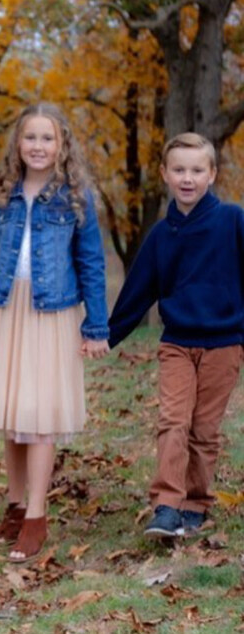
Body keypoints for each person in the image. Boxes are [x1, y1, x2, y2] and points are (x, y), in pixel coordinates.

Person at [0, 103, 109, 563]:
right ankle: (16, 501)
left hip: (52, 313)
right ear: (17, 144)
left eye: (48, 139)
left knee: (39, 417)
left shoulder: (75, 197)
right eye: (30, 138)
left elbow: (92, 263)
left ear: (62, 145)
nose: (38, 147)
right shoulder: (0, 194)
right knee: (12, 413)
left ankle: (37, 517)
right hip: (7, 310)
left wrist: (96, 324)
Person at [108, 133, 244, 539]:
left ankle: (195, 503)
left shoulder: (232, 221)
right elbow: (136, 293)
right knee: (173, 421)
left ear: (212, 174)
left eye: (197, 170)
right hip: (177, 344)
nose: (188, 178)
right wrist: (103, 336)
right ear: (166, 174)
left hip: (224, 343)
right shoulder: (160, 236)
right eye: (179, 170)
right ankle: (166, 505)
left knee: (204, 430)